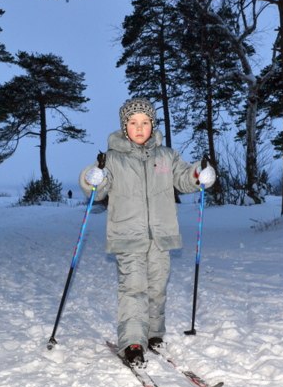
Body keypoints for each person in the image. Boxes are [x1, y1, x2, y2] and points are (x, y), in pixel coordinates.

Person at [79, 98, 216, 367]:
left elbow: (184, 178)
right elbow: (97, 187)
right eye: (132, 123)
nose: (139, 128)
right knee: (134, 289)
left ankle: (154, 334)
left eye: (144, 122)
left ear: (152, 125)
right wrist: (91, 177)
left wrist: (200, 174)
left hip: (161, 236)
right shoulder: (113, 159)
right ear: (124, 127)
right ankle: (132, 341)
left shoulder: (166, 156)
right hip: (127, 236)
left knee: (157, 287)